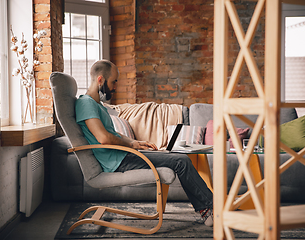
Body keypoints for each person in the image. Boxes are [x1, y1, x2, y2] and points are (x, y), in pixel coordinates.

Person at [75, 59, 214, 227]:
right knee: (181, 161)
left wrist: (136, 142)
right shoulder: (86, 103)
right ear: (100, 80)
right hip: (118, 161)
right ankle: (211, 208)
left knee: (177, 156)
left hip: (123, 155)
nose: (115, 86)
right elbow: (103, 138)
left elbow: (113, 134)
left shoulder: (98, 105)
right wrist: (132, 146)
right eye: (114, 81)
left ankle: (208, 208)